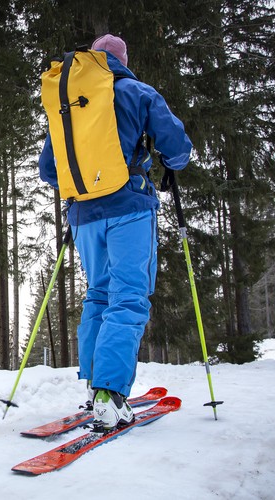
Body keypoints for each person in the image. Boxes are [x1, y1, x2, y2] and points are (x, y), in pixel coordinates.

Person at [39, 34, 192, 428]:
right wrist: (166, 160)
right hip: (129, 208)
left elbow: (48, 169)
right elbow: (177, 147)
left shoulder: (69, 101)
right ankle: (110, 391)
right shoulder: (137, 91)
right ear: (123, 59)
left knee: (99, 295)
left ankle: (95, 388)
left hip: (83, 214)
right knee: (128, 296)